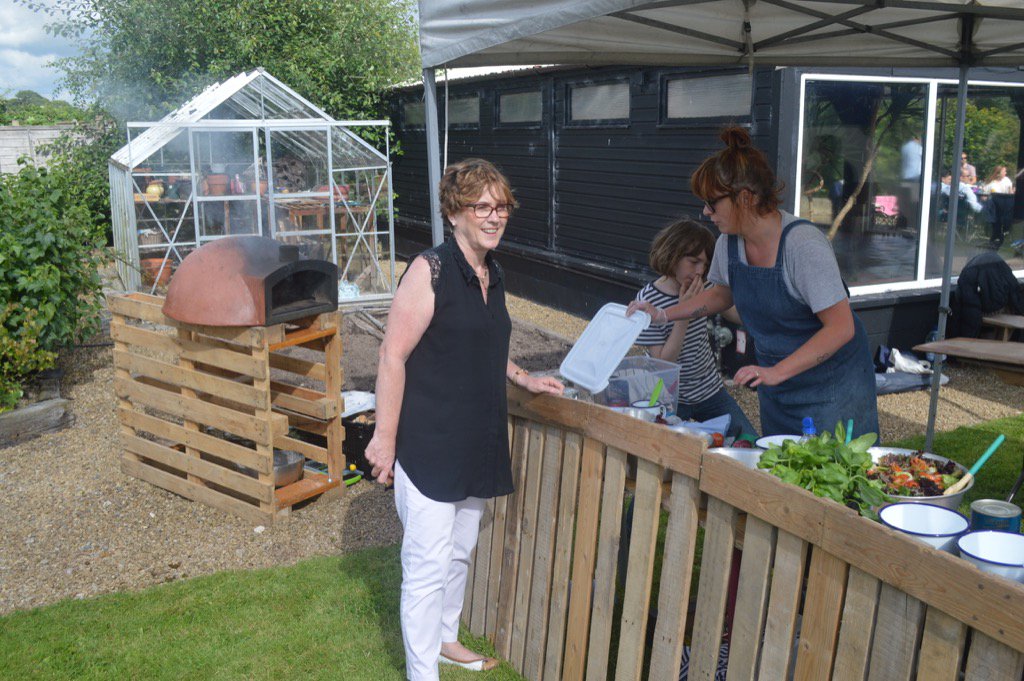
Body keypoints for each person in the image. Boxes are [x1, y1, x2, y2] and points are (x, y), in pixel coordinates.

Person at [364, 158, 563, 680]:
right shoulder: (428, 270)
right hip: (430, 442)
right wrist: (384, 439)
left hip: (476, 439)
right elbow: (391, 356)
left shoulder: (493, 273)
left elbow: (484, 342)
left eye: (502, 207)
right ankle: (421, 673)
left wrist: (522, 377)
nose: (495, 217)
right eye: (482, 207)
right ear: (454, 213)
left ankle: (446, 640)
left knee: (459, 553)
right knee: (427, 566)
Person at [627, 127, 878, 439]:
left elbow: (841, 328)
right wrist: (663, 314)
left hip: (832, 385)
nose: (705, 212)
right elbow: (720, 295)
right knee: (780, 463)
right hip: (777, 383)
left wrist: (777, 372)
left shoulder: (803, 245)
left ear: (745, 198)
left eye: (712, 203)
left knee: (833, 466)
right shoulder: (728, 243)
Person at [633, 218, 755, 439]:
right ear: (672, 256)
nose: (700, 271)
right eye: (694, 262)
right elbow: (663, 365)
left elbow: (735, 313)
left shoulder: (705, 287)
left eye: (705, 265)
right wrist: (684, 312)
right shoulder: (648, 299)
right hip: (669, 397)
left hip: (709, 390)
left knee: (750, 441)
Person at [983, 165, 1015, 248]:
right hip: (995, 208)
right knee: (997, 222)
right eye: (1004, 171)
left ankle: (1002, 238)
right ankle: (995, 238)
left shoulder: (1007, 180)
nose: (1006, 173)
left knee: (1005, 221)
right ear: (998, 174)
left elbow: (1010, 193)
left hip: (1006, 206)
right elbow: (985, 196)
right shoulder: (991, 184)